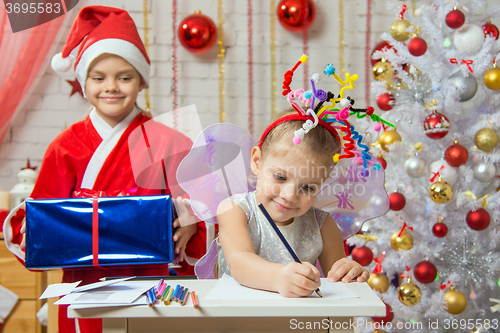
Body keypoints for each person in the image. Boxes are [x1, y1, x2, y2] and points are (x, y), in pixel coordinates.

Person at [2, 6, 206, 333]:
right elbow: (42, 210)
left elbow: (199, 203)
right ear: (84, 82)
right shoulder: (65, 146)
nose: (111, 87)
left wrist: (193, 223)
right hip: (83, 283)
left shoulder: (169, 141)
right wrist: (34, 226)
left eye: (124, 77)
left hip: (151, 281)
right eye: (98, 78)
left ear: (141, 82)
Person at [216, 110, 370, 298]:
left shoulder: (323, 224)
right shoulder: (234, 210)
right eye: (280, 177)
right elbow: (239, 262)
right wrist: (279, 277)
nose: (290, 196)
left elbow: (339, 286)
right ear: (257, 162)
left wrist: (349, 273)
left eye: (307, 187)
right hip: (237, 318)